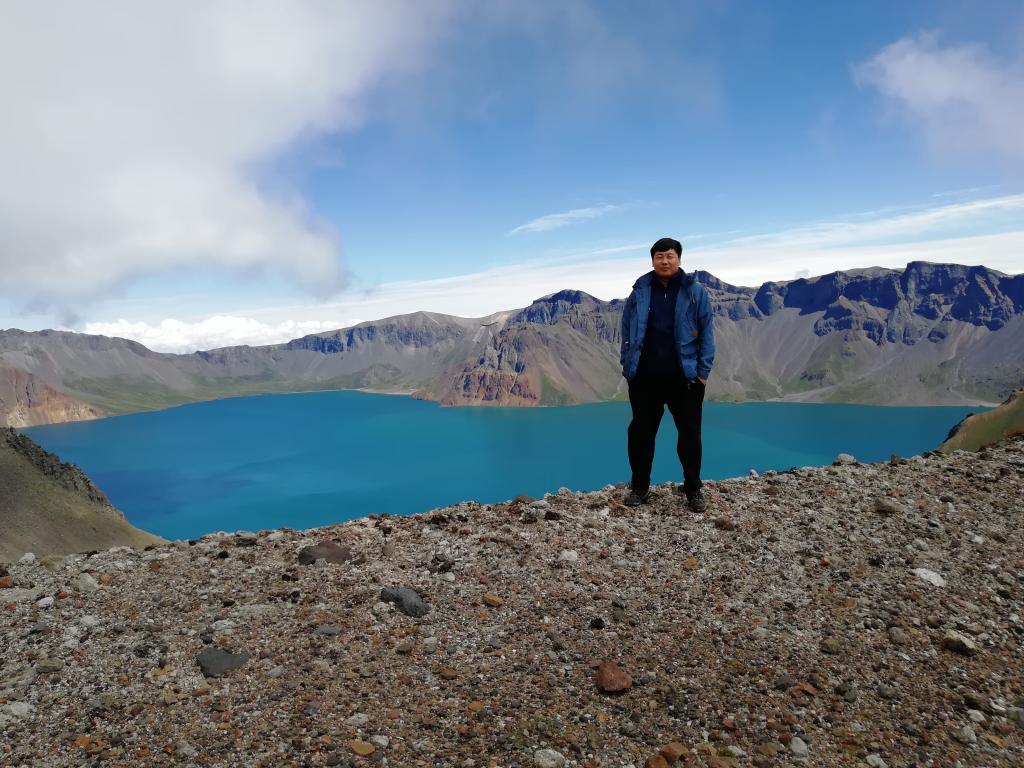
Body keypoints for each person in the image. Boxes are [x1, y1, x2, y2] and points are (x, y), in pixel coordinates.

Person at [619, 237, 715, 511]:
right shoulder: (639, 292)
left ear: (679, 259)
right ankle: (640, 487)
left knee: (690, 436)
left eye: (669, 256)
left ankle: (693, 489)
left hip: (685, 379)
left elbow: (707, 333)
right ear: (652, 260)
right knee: (640, 435)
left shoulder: (695, 291)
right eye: (659, 256)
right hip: (645, 378)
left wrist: (702, 373)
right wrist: (628, 365)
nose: (664, 261)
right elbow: (626, 329)